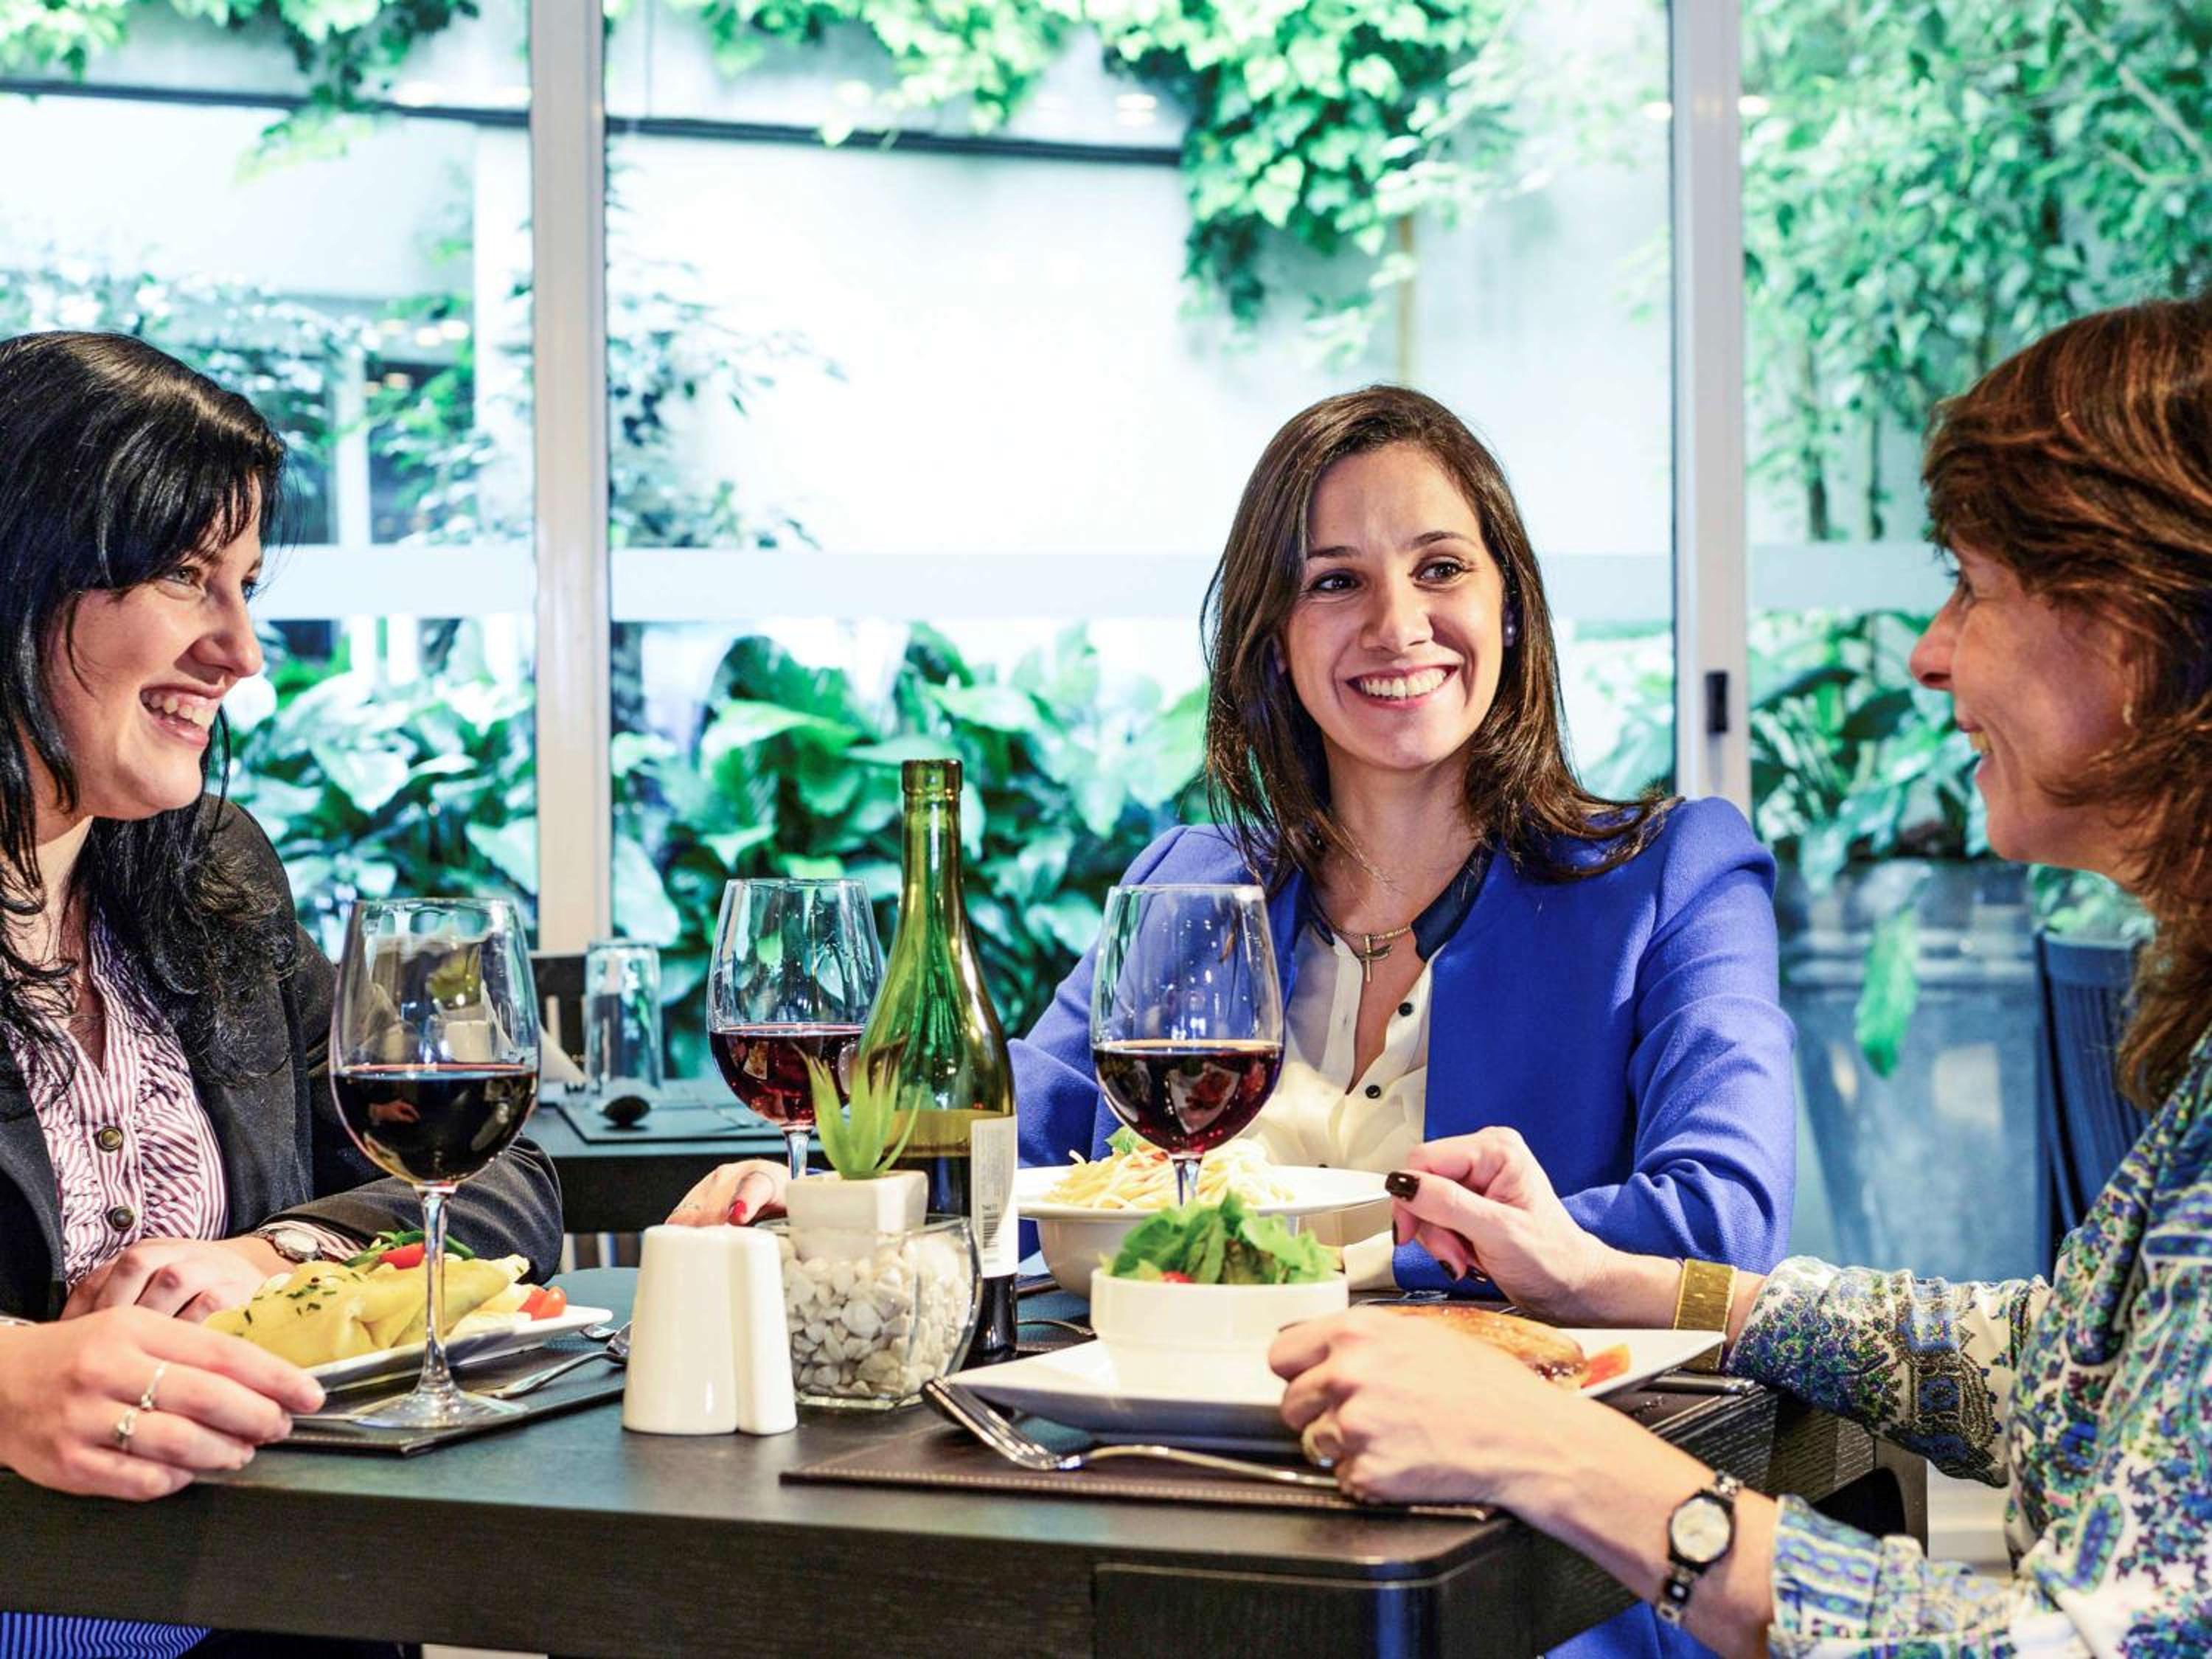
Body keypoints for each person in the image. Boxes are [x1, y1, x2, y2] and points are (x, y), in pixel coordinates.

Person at [1273, 293, 2212, 1655]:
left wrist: (1547, 1446)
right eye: (1333, 580)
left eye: (1974, 585)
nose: (1929, 650)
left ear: (2140, 621)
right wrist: (1611, 1278)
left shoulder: (1669, 867)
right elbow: (2043, 1359)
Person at [672, 389, 1798, 1324]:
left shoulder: (1675, 876)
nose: (1398, 623)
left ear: (1509, 608)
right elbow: (1002, 1160)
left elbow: (1723, 1224)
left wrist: (1333, 1247)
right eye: (1336, 580)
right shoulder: (1186, 883)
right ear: (1274, 642)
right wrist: (826, 1192)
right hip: (1158, 1451)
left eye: (1441, 567)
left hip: (1507, 1485)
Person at [0, 331, 564, 1658]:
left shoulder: (215, 876)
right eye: (186, 577)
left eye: (246, 586)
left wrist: (268, 1257)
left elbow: (503, 1184)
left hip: (274, 1607)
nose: (240, 650)